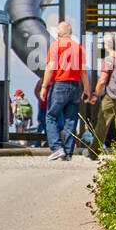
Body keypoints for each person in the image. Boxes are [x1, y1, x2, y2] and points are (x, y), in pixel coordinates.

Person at [38, 20, 89, 161]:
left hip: (60, 85)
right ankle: (68, 152)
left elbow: (50, 67)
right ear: (70, 33)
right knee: (71, 119)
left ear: (59, 34)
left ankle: (56, 148)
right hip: (75, 86)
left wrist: (44, 87)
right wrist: (87, 89)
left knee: (51, 116)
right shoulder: (79, 48)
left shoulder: (56, 46)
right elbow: (84, 71)